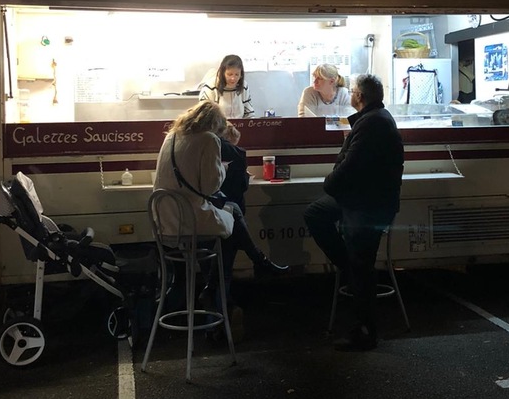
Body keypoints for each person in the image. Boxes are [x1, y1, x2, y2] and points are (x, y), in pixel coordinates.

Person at [304, 73, 404, 351]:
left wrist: (329, 184)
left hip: (367, 205)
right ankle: (348, 265)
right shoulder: (375, 119)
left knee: (362, 265)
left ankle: (365, 330)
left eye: (352, 91)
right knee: (315, 214)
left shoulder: (372, 123)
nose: (349, 94)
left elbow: (350, 166)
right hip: (363, 199)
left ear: (359, 96)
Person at [153, 101, 286, 309]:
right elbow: (210, 187)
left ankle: (220, 286)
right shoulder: (209, 139)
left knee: (230, 224)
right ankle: (252, 266)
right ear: (215, 124)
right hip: (192, 221)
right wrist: (223, 168)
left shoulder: (171, 137)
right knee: (233, 217)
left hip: (165, 221)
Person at [199, 54, 254, 118]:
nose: (233, 78)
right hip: (217, 123)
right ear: (222, 73)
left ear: (241, 75)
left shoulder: (244, 86)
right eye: (229, 74)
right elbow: (204, 116)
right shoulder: (210, 87)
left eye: (237, 74)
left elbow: (249, 114)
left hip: (239, 124)